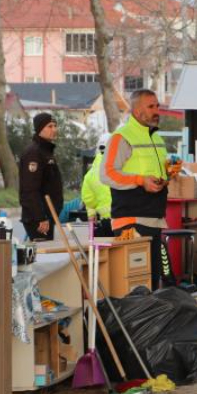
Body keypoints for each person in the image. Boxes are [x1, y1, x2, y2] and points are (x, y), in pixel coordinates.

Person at [101, 89, 179, 289]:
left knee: (151, 283)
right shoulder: (122, 137)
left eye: (157, 106)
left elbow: (154, 175)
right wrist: (140, 180)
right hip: (131, 221)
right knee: (135, 285)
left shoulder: (156, 138)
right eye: (151, 106)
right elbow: (106, 174)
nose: (157, 111)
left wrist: (168, 174)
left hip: (154, 217)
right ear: (136, 111)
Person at [19, 112, 62, 241]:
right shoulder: (34, 153)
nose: (54, 129)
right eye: (50, 126)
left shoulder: (46, 151)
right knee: (41, 252)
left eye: (55, 126)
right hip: (39, 219)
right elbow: (30, 189)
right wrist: (40, 217)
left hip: (48, 216)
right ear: (39, 129)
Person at [82, 134, 113, 237]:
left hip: (106, 221)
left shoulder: (90, 175)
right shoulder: (120, 166)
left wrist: (91, 214)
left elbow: (89, 199)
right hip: (124, 219)